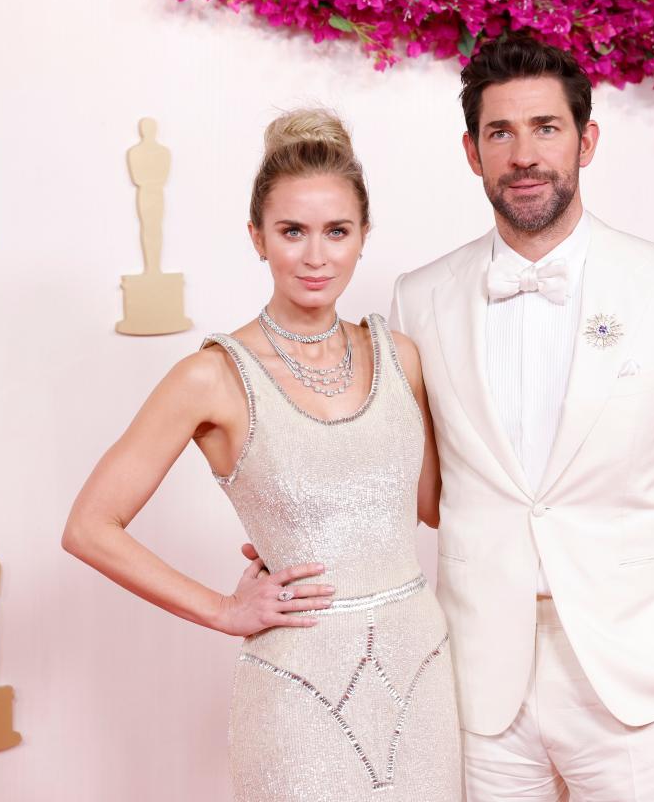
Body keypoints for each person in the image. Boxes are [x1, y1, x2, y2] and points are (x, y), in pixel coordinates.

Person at [389, 35, 654, 801]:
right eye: (500, 132)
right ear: (472, 152)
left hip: (643, 686)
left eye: (546, 128)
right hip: (480, 683)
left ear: (586, 140)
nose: (523, 153)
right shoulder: (417, 298)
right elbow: (414, 486)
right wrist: (301, 526)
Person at [62, 109, 462, 801]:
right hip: (297, 696)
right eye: (292, 232)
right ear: (257, 238)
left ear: (364, 237)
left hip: (423, 674)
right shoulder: (212, 376)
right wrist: (222, 609)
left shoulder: (404, 358)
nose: (316, 256)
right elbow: (88, 528)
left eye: (337, 231)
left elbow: (433, 507)